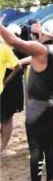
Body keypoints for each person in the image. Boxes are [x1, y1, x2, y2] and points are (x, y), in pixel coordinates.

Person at [0, 21, 53, 181]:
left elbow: (14, 42)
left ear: (42, 34)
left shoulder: (41, 49)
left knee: (36, 147)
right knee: (49, 145)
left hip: (38, 107)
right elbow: (31, 59)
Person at [1, 25, 27, 157]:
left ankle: (3, 148)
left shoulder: (8, 49)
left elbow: (18, 66)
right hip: (9, 88)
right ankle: (3, 148)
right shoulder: (9, 49)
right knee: (6, 119)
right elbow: (19, 67)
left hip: (9, 88)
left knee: (6, 118)